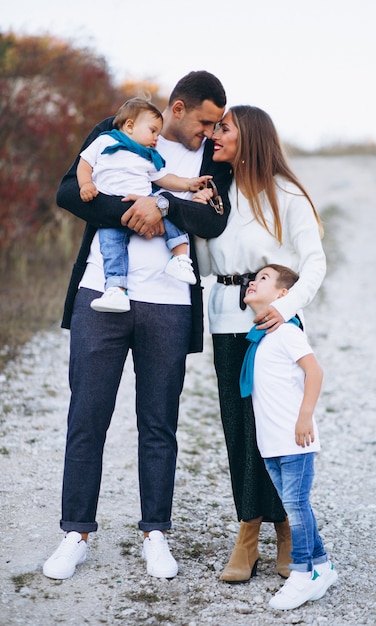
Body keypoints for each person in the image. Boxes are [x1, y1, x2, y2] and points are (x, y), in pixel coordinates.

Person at [42, 71, 232, 581]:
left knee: (158, 423)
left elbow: (214, 218)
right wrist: (131, 210)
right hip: (100, 296)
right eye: (205, 122)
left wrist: (163, 203)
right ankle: (75, 533)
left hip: (170, 303)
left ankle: (155, 535)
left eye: (217, 125)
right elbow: (67, 191)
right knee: (87, 417)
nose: (211, 133)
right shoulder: (116, 130)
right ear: (176, 108)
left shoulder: (213, 158)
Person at [193, 105, 326, 583]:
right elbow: (208, 267)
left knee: (276, 427)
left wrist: (285, 311)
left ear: (248, 136)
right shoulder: (219, 192)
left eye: (223, 129)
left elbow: (315, 264)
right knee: (238, 426)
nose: (213, 137)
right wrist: (198, 220)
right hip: (227, 318)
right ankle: (248, 529)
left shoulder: (286, 194)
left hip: (275, 323)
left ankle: (286, 526)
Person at [241, 263, 337, 610]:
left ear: (284, 295)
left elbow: (314, 371)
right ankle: (322, 566)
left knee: (295, 506)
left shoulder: (287, 331)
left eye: (263, 278)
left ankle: (302, 573)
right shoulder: (265, 336)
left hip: (294, 439)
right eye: (254, 278)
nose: (252, 281)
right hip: (273, 443)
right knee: (296, 505)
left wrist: (305, 417)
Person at [77, 97, 214, 313]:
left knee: (169, 214)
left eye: (158, 134)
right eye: (152, 131)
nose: (156, 138)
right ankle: (116, 290)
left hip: (147, 202)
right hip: (112, 215)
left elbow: (164, 178)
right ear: (130, 126)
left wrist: (188, 184)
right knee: (111, 248)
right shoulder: (105, 141)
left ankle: (180, 258)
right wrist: (86, 184)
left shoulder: (148, 156)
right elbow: (84, 164)